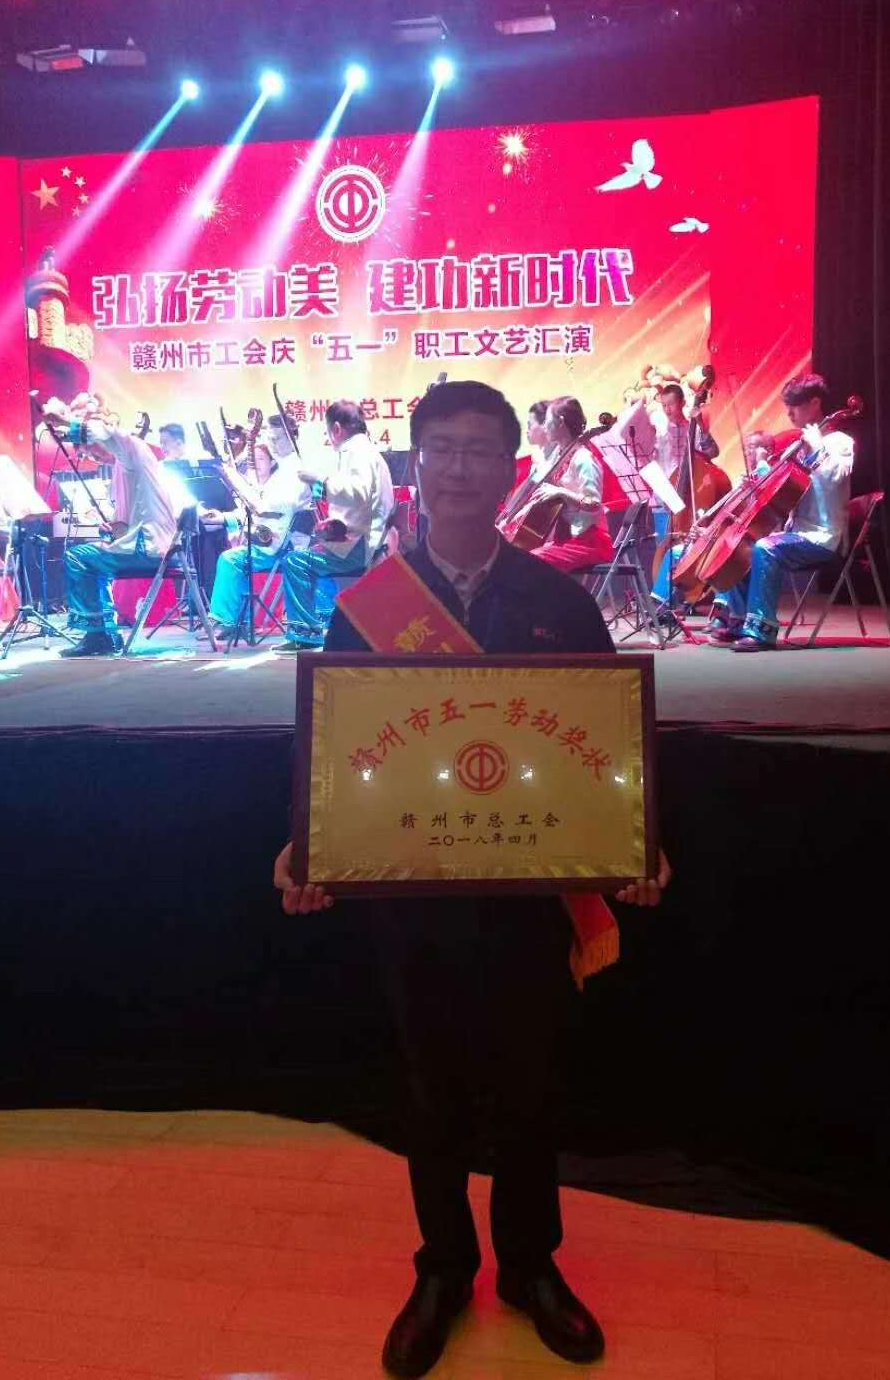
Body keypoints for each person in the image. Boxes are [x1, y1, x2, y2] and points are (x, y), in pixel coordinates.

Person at [274, 379, 669, 1379]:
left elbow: (608, 741)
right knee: (431, 1090)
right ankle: (445, 1269)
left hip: (526, 894)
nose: (459, 468)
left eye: (479, 450)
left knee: (531, 1087)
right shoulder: (369, 607)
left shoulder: (558, 600)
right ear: (419, 464)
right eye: (442, 449)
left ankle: (531, 1267)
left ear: (508, 469)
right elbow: (336, 746)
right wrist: (306, 844)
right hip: (415, 892)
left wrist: (638, 837)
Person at [708, 372, 855, 651]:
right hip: (796, 533)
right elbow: (787, 491)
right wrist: (760, 477)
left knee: (766, 548)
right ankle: (737, 621)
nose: (789, 413)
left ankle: (761, 632)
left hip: (823, 537)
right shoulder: (799, 448)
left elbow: (835, 477)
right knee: (739, 546)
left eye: (794, 406)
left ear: (814, 403)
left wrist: (818, 446)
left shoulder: (839, 442)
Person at [43, 395, 179, 658]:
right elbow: (128, 522)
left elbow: (105, 432)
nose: (90, 455)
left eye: (90, 448)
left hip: (148, 547)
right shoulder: (126, 464)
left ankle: (97, 635)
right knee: (92, 560)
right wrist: (116, 527)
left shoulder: (131, 449)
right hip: (151, 545)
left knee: (77, 557)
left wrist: (65, 421)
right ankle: (105, 631)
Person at [275, 399, 394, 653]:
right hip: (367, 541)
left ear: (337, 428)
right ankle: (327, 623)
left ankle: (306, 633)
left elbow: (358, 493)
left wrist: (319, 479)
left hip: (363, 548)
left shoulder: (355, 452)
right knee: (317, 551)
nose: (330, 439)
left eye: (329, 432)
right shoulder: (366, 450)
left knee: (296, 562)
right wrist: (333, 525)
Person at [206, 439, 312, 639]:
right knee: (233, 559)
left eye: (261, 458)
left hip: (277, 546)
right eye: (252, 459)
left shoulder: (283, 484)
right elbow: (245, 513)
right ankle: (239, 622)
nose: (255, 463)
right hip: (259, 543)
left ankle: (226, 621)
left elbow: (266, 511)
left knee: (229, 559)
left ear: (272, 462)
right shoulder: (256, 486)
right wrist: (222, 518)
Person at [518, 396, 613, 573]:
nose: (544, 427)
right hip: (567, 538)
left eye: (547, 421)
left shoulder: (583, 458)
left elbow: (594, 503)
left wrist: (562, 493)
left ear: (561, 422)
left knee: (531, 562)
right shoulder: (559, 456)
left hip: (589, 541)